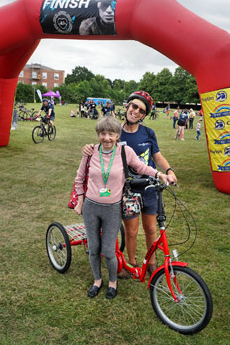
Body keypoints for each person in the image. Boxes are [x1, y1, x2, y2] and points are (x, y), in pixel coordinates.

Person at [82, 91, 179, 280]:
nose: (136, 111)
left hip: (150, 187)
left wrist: (168, 171)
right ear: (127, 106)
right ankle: (131, 263)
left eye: (141, 110)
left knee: (151, 229)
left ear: (144, 115)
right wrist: (88, 148)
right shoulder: (116, 131)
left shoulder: (148, 133)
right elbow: (104, 145)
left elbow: (156, 156)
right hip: (128, 189)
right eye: (134, 106)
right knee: (131, 230)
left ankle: (151, 263)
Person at [74, 115, 172, 299]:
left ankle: (113, 281)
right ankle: (97, 280)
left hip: (112, 208)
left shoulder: (125, 152)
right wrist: (80, 201)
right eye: (103, 134)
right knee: (94, 248)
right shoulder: (90, 152)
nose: (107, 138)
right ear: (98, 135)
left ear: (118, 135)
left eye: (111, 134)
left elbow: (142, 167)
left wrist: (160, 174)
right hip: (91, 207)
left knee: (109, 250)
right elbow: (79, 178)